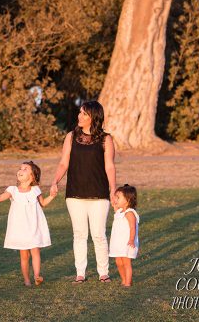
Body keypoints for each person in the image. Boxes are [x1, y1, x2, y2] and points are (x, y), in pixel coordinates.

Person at [50, 101, 116, 283]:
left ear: (93, 117)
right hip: (75, 193)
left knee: (98, 234)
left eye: (84, 114)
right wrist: (55, 181)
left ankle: (103, 273)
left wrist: (113, 189)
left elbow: (109, 166)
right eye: (79, 112)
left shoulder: (106, 139)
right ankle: (80, 273)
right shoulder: (71, 136)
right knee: (79, 234)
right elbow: (64, 162)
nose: (79, 116)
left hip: (99, 194)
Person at [0, 161, 55, 286]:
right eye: (20, 168)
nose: (21, 171)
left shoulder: (35, 190)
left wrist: (52, 196)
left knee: (35, 251)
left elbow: (43, 203)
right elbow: (0, 198)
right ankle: (27, 279)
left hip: (34, 226)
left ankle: (37, 275)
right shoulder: (13, 190)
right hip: (20, 228)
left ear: (32, 176)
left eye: (25, 169)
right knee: (24, 256)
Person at [109, 185, 139, 287]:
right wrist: (114, 204)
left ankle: (127, 283)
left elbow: (132, 227)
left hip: (126, 243)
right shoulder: (120, 211)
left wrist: (131, 240)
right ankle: (124, 279)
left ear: (128, 200)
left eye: (118, 197)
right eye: (116, 197)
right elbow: (116, 211)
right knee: (118, 262)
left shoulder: (129, 213)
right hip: (118, 243)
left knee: (126, 263)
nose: (116, 199)